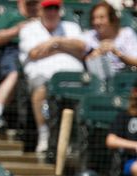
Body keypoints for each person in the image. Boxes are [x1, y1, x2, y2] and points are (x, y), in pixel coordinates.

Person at [18, 0, 86, 154]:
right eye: (48, 8)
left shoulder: (71, 26)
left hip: (73, 79)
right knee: (41, 91)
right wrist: (64, 48)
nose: (52, 12)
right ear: (41, 10)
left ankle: (72, 142)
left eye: (55, 8)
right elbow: (34, 53)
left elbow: (81, 48)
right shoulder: (29, 29)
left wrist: (55, 41)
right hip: (43, 78)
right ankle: (44, 135)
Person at [0, 0, 40, 130]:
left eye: (36, 3)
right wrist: (16, 30)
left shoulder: (45, 16)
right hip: (14, 50)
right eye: (30, 3)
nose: (33, 6)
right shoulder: (11, 15)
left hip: (39, 53)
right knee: (15, 73)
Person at [83, 1, 137, 81]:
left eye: (101, 17)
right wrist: (95, 54)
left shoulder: (127, 34)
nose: (97, 22)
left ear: (112, 19)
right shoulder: (88, 36)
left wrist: (118, 54)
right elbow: (81, 64)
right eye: (94, 18)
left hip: (124, 80)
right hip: (96, 81)